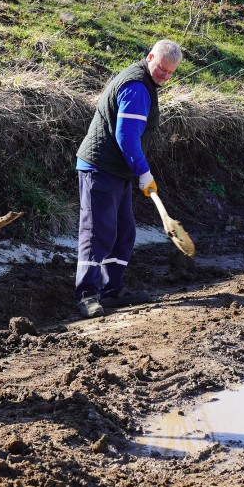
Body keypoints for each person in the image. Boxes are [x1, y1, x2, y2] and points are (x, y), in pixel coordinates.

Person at [73, 39, 184, 319]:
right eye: (161, 69)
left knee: (124, 231)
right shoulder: (136, 87)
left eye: (170, 72)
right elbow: (126, 136)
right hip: (100, 167)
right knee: (98, 231)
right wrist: (143, 171)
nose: (165, 76)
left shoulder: (146, 82)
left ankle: (113, 289)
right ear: (150, 58)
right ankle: (87, 294)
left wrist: (136, 171)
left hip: (117, 170)